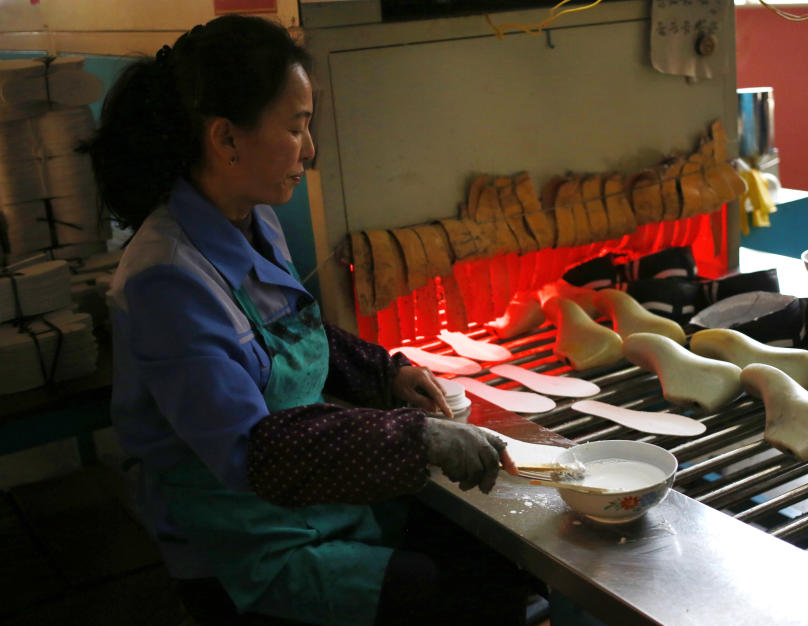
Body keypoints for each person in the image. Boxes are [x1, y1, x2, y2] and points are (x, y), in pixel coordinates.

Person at [83, 15, 530, 625]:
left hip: (308, 506)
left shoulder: (255, 219)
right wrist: (418, 437)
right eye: (296, 129)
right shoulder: (166, 281)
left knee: (492, 565)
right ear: (226, 139)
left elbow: (290, 331)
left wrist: (384, 372)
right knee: (447, 593)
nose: (311, 150)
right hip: (245, 546)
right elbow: (251, 454)